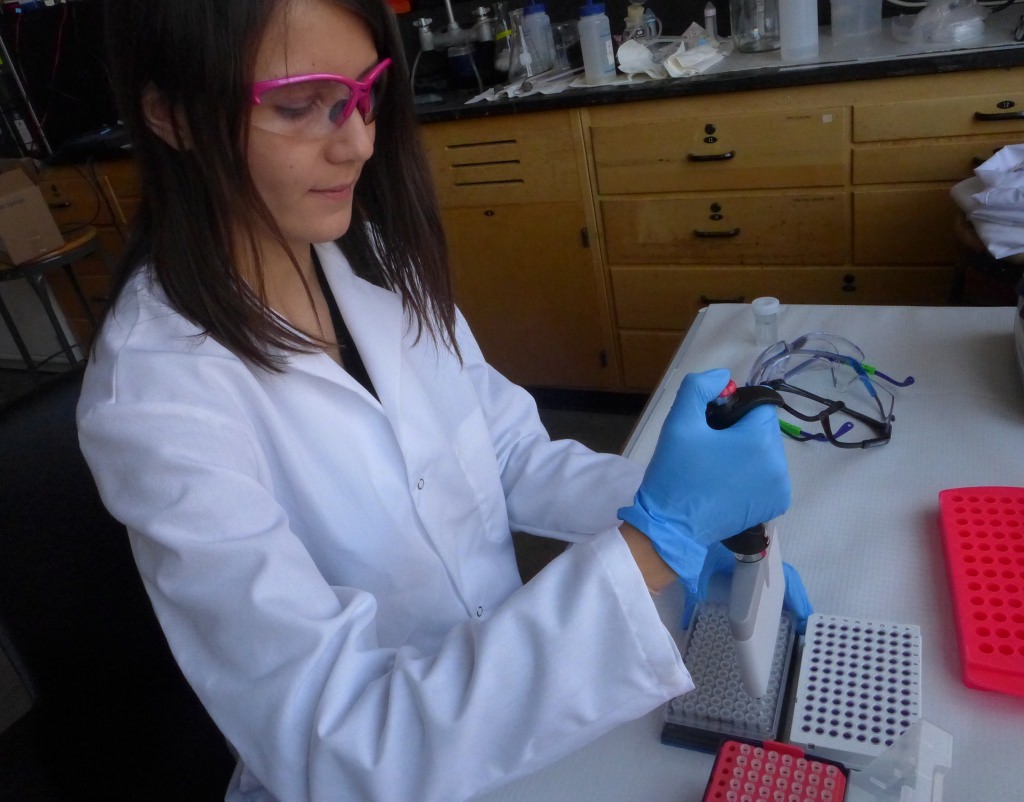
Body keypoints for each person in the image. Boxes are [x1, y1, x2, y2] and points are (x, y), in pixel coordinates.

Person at [77, 1, 793, 800]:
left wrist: (677, 507)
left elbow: (507, 453)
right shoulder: (156, 394)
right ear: (171, 115)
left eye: (363, 92)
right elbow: (338, 738)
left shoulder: (367, 254)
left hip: (519, 709)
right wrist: (657, 542)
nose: (356, 141)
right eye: (297, 105)